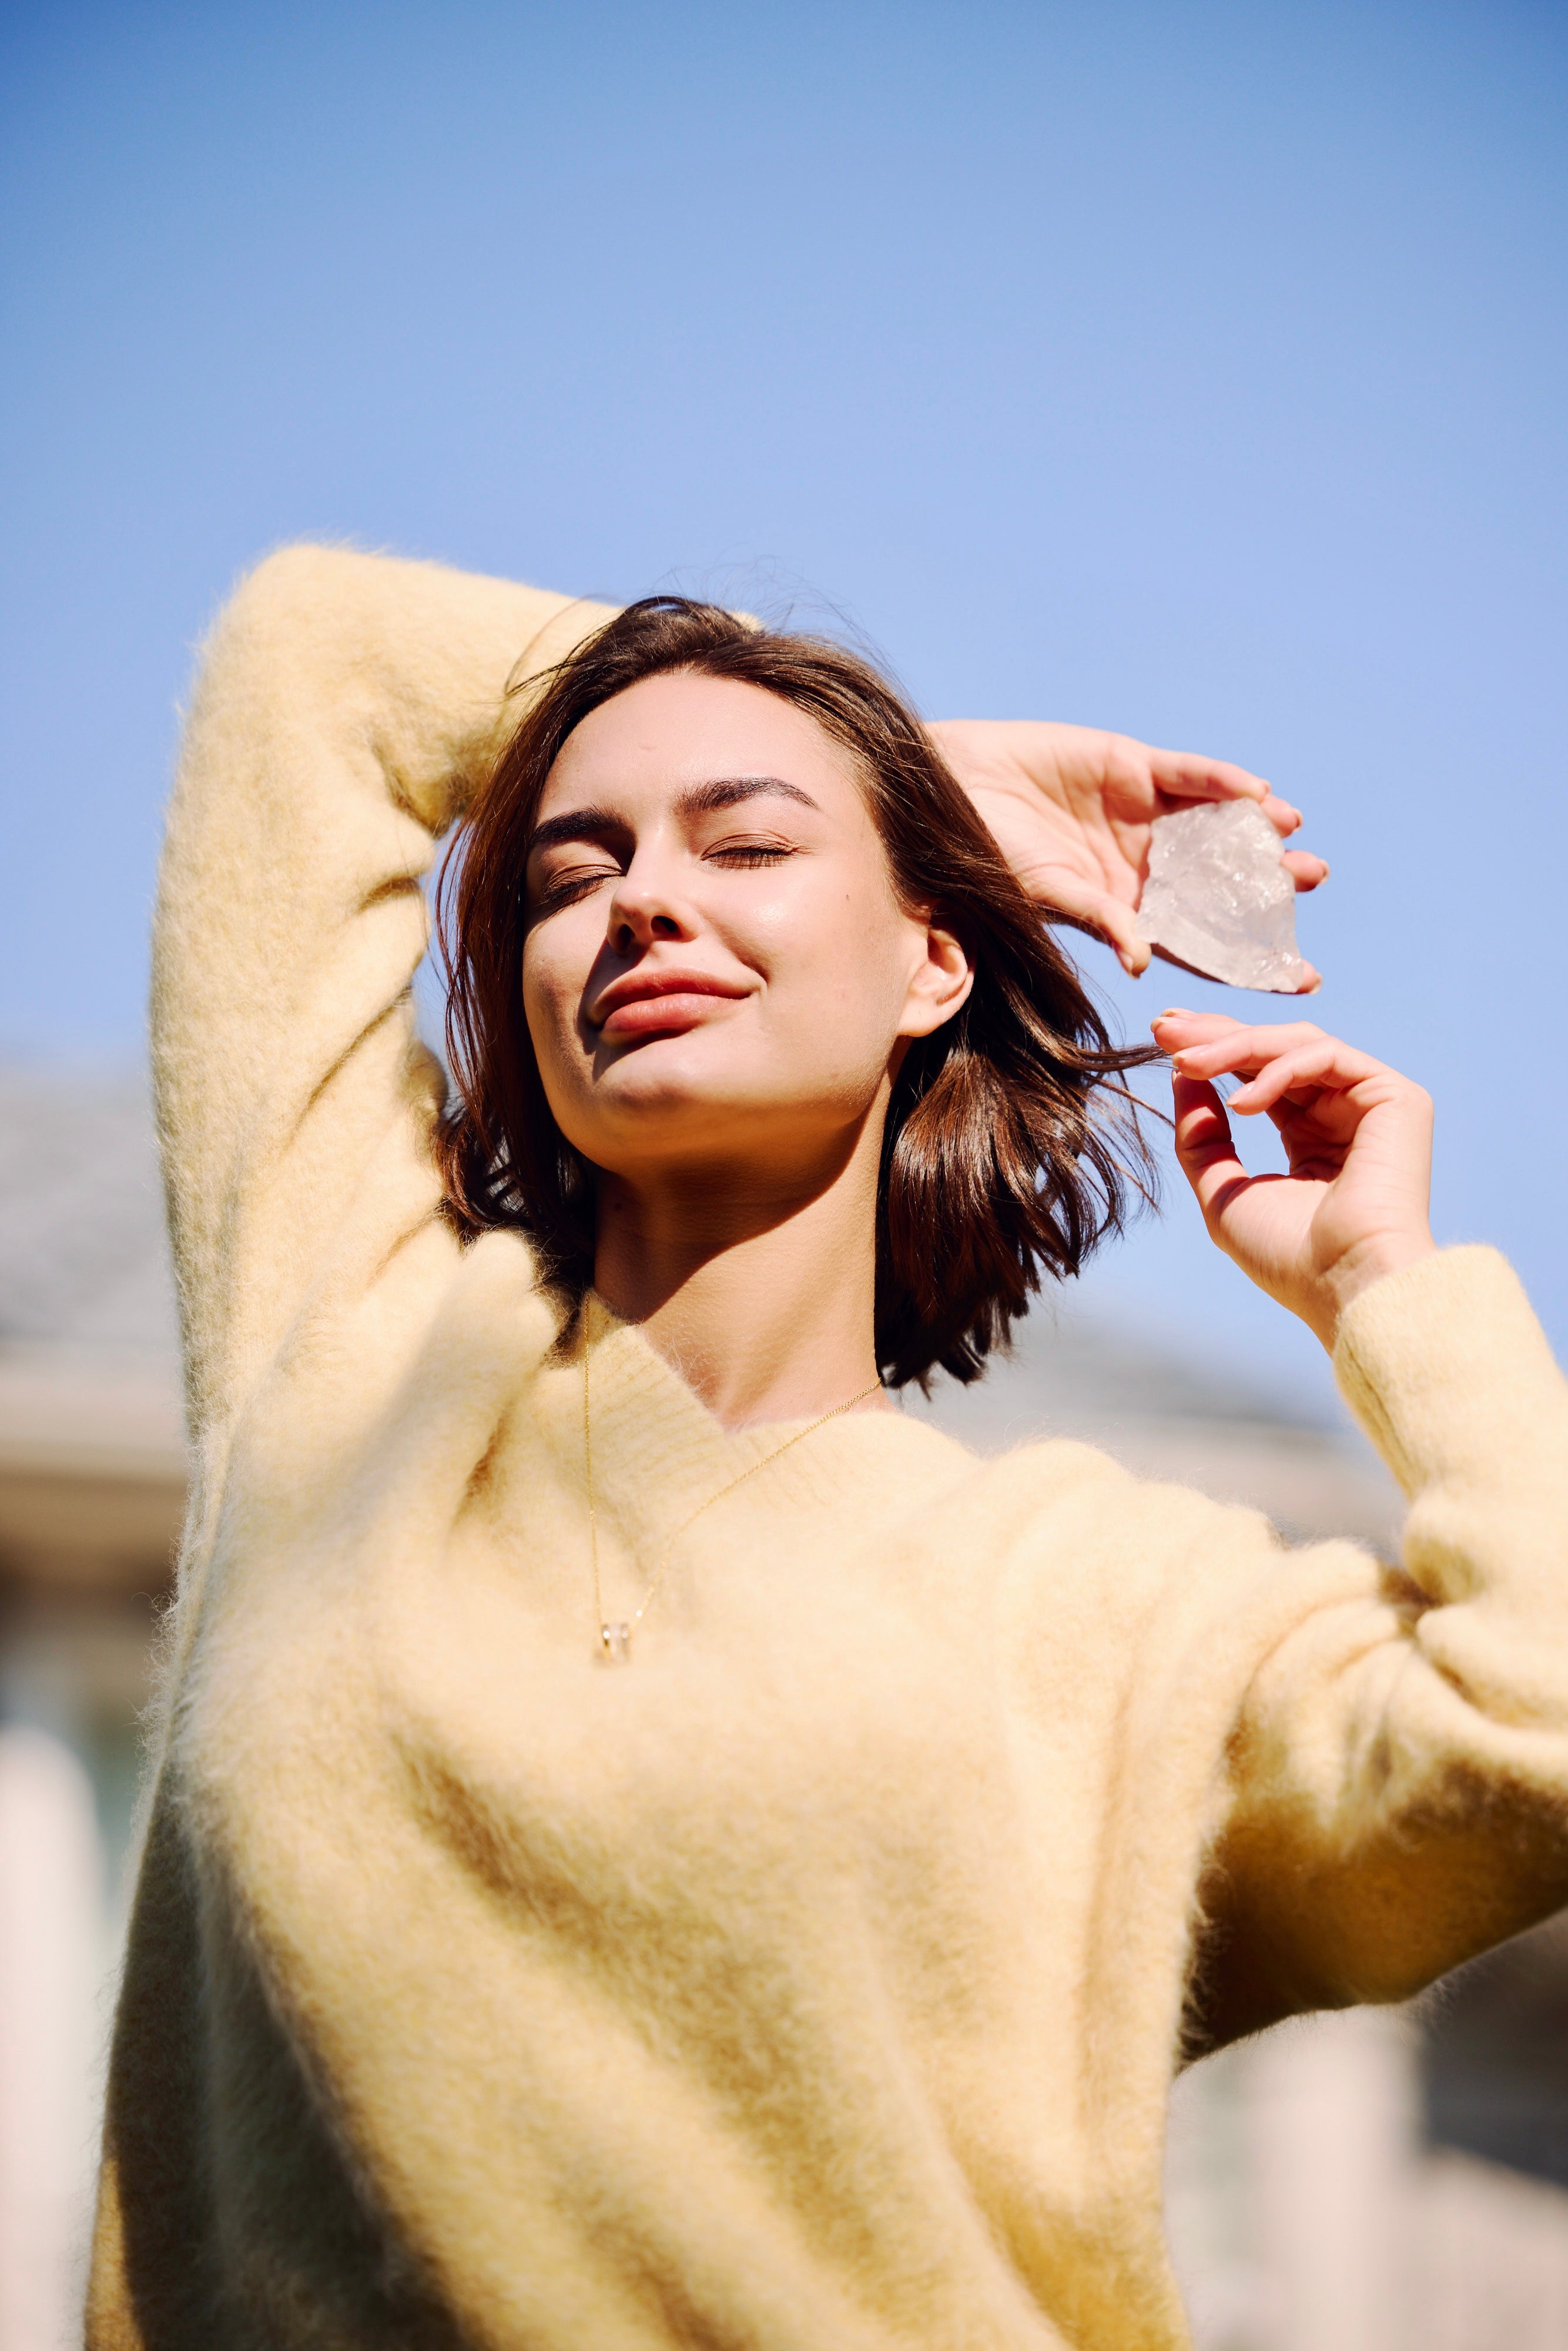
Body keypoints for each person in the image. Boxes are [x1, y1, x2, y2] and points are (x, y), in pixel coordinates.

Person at [88, 547, 1568, 2351]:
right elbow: (310, 659)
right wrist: (905, 770)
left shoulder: (1105, 1605)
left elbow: (1535, 1737)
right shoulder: (351, 1357)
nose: (642, 900)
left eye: (745, 845)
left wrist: (1385, 1288)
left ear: (929, 962)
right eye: (571, 871)